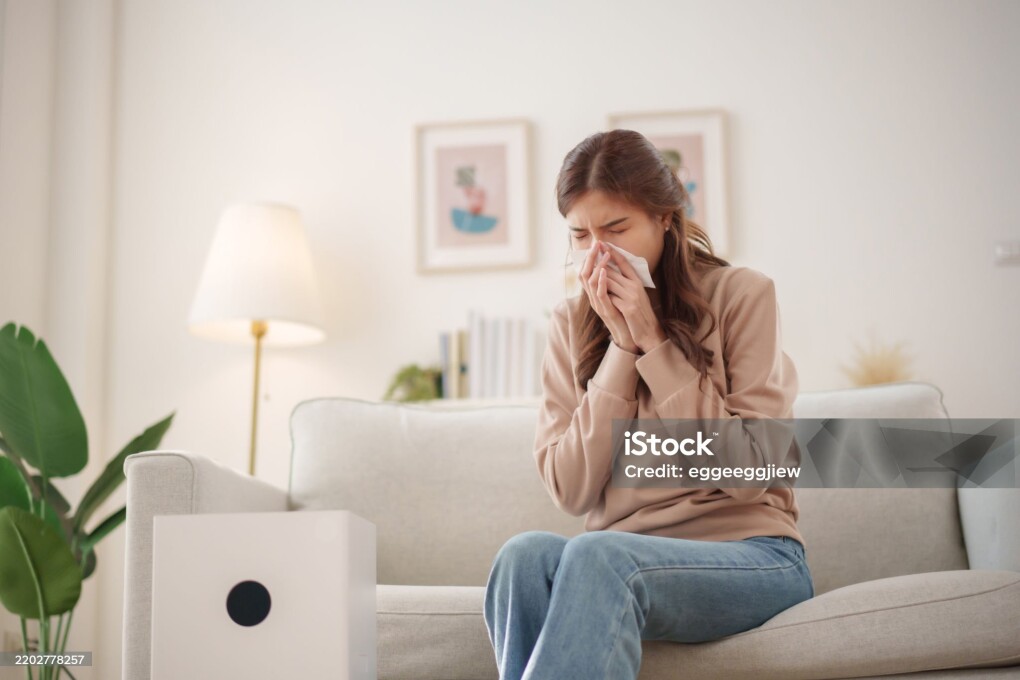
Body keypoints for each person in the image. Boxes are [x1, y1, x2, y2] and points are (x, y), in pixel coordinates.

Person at [483, 129, 815, 680]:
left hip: (754, 556)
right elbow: (570, 490)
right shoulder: (570, 324)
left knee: (599, 555)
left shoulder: (742, 296)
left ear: (665, 217)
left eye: (616, 228)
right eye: (581, 236)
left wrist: (655, 342)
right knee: (524, 557)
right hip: (621, 559)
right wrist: (620, 348)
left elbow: (753, 472)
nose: (599, 252)